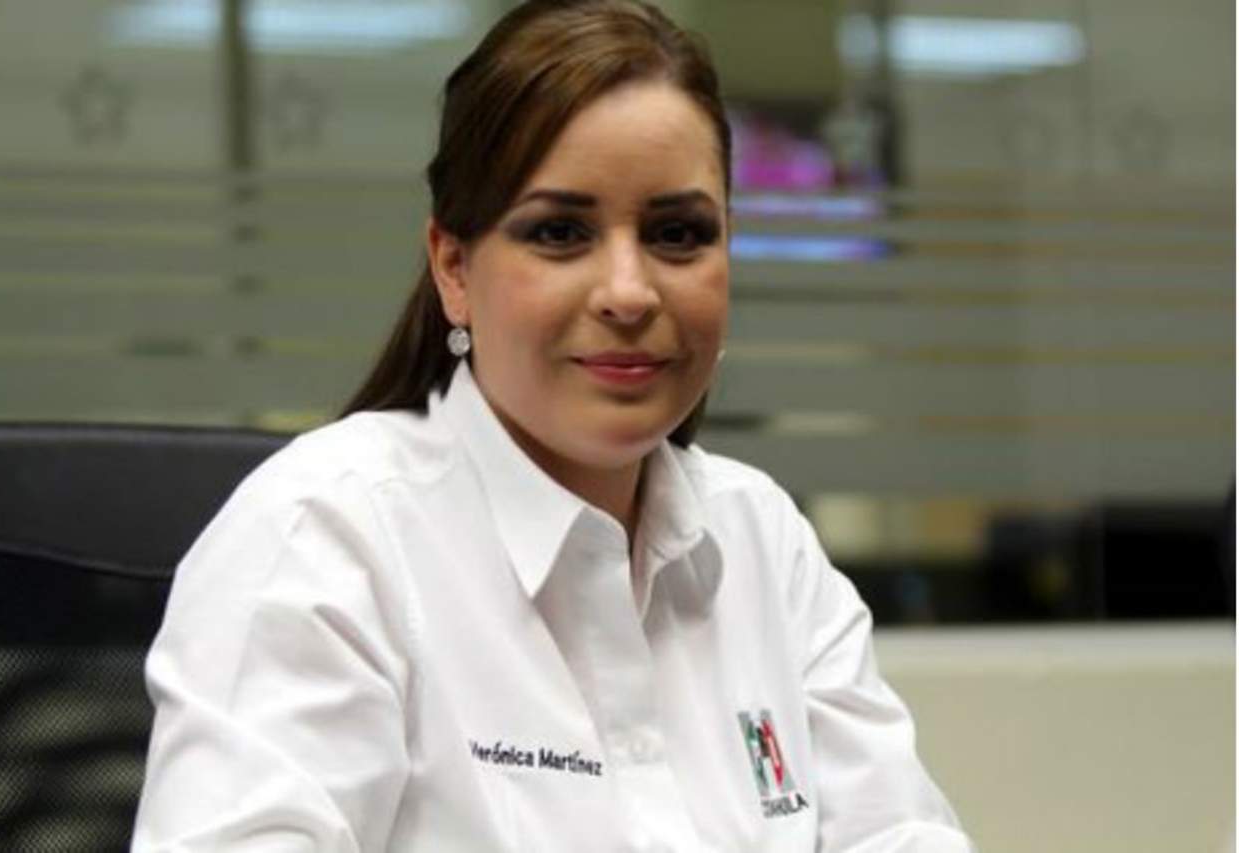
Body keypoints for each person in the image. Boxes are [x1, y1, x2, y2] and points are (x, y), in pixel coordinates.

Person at [133, 1, 972, 850]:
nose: (629, 292)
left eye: (678, 233)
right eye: (561, 232)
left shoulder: (761, 539)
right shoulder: (323, 537)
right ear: (454, 269)